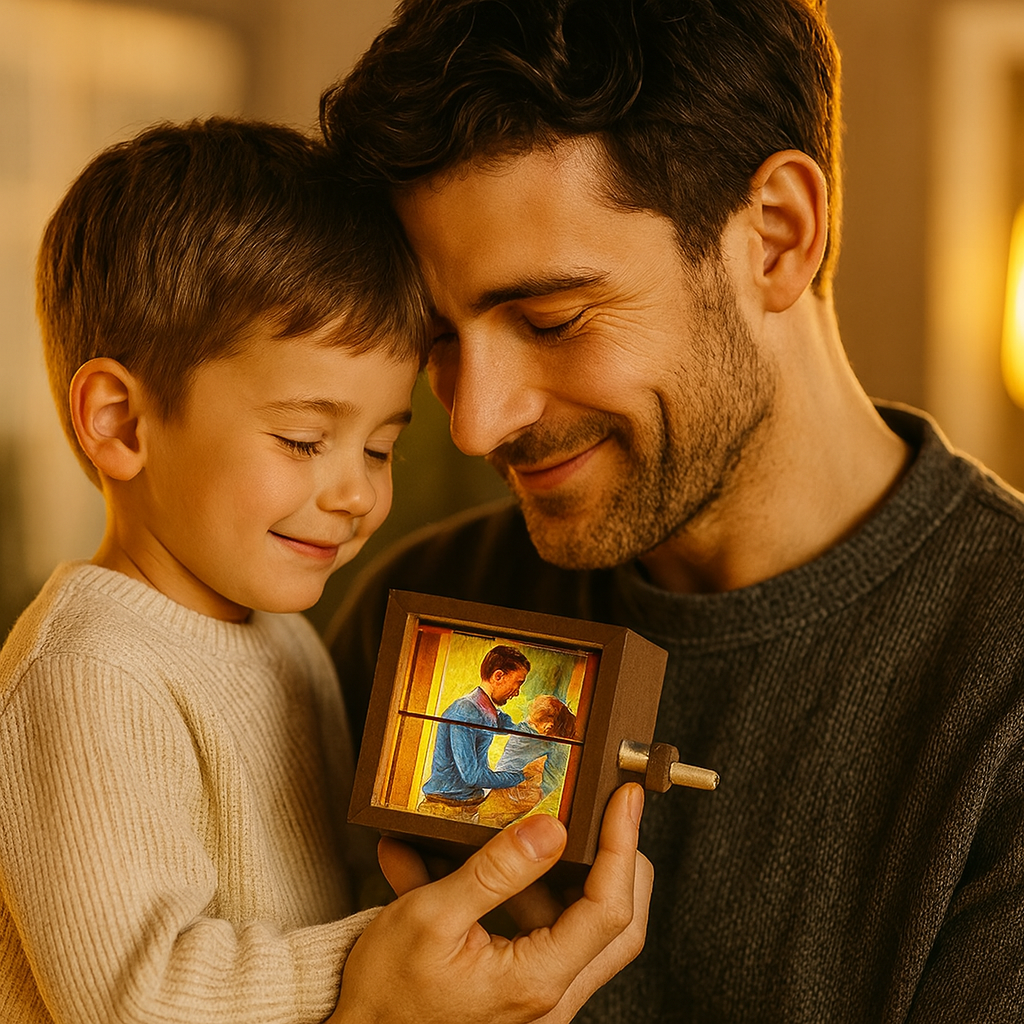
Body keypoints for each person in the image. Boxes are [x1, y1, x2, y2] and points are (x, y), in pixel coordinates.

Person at [319, 0, 1024, 1020]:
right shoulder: (411, 612)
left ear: (776, 238)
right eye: (437, 335)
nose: (474, 422)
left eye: (551, 318)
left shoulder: (999, 693)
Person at [0, 117, 652, 1024]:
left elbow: (328, 893)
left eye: (381, 448)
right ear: (120, 423)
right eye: (305, 439)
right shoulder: (92, 671)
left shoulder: (285, 639)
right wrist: (395, 956)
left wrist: (457, 915)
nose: (356, 496)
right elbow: (136, 998)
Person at [420, 644, 529, 818]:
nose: (517, 693)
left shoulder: (486, 710)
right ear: (498, 676)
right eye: (518, 683)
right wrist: (519, 777)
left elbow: (504, 723)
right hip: (447, 810)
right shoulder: (466, 711)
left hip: (464, 807)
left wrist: (533, 732)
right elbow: (472, 776)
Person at [481, 696, 579, 828]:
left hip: (513, 788)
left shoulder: (545, 737)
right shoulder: (528, 733)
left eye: (532, 723)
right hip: (509, 787)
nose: (528, 723)